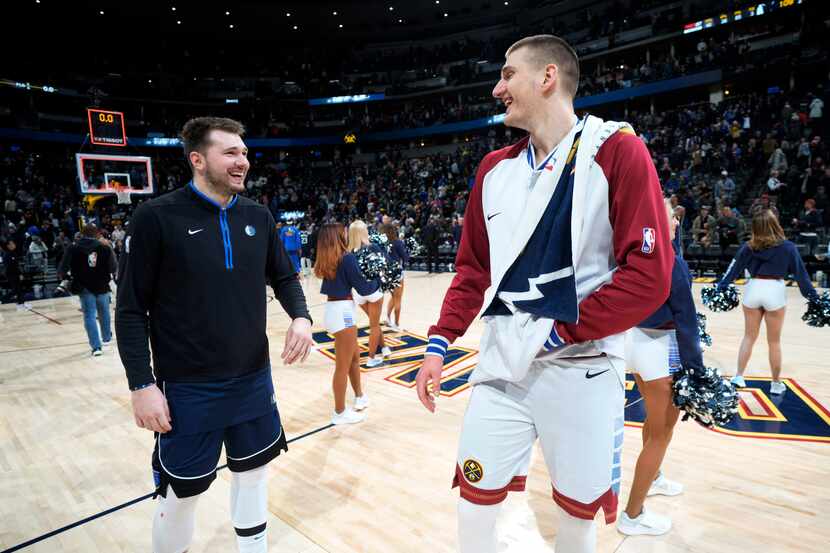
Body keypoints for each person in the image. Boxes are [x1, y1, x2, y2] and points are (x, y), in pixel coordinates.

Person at [415, 35, 673, 553]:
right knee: (472, 498)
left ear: (547, 77)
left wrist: (559, 332)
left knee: (576, 519)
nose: (496, 88)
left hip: (581, 368)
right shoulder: (492, 169)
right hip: (501, 366)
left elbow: (648, 275)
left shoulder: (618, 149)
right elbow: (472, 270)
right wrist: (439, 343)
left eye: (508, 74)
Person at [115, 117, 313, 553]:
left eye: (243, 152)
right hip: (187, 387)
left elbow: (284, 277)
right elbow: (130, 310)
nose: (243, 161)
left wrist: (301, 317)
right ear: (198, 159)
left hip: (253, 379)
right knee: (181, 494)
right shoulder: (155, 217)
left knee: (253, 476)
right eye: (231, 153)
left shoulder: (258, 216)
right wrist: (142, 385)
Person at [618, 199, 704, 536]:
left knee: (654, 424)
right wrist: (696, 370)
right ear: (660, 221)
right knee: (662, 432)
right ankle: (633, 515)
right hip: (660, 348)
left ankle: (652, 479)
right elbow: (686, 320)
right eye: (672, 215)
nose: (678, 217)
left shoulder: (641, 254)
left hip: (636, 342)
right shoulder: (673, 264)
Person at [716, 209, 819, 394]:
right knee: (774, 342)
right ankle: (776, 383)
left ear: (754, 227)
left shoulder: (748, 247)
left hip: (753, 289)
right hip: (775, 291)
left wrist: (720, 289)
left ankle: (739, 376)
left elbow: (732, 271)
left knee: (749, 337)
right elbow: (802, 278)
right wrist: (815, 300)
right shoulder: (788, 247)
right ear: (775, 224)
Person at [315, 223, 380, 424]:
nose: (345, 233)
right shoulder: (346, 258)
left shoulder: (329, 259)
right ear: (337, 237)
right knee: (342, 366)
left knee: (353, 357)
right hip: (343, 313)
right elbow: (364, 289)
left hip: (334, 311)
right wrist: (379, 279)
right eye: (342, 232)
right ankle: (339, 412)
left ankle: (359, 395)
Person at [58, 224, 116, 356]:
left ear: (82, 234)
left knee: (89, 315)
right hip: (101, 284)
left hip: (84, 286)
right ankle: (106, 338)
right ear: (96, 234)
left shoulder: (72, 248)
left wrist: (66, 277)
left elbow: (62, 268)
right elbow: (113, 267)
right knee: (104, 311)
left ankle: (96, 347)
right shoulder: (104, 247)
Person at [347, 220, 390, 368]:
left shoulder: (348, 253)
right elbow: (386, 264)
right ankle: (371, 359)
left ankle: (384, 348)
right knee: (374, 326)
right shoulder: (373, 247)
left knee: (374, 322)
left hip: (358, 294)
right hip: (374, 291)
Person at [382, 223, 409, 331]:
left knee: (393, 297)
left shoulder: (382, 243)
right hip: (396, 272)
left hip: (386, 273)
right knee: (398, 299)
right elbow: (405, 257)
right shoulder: (397, 242)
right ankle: (397, 324)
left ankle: (388, 319)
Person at [2, 239, 25, 308]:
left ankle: (21, 303)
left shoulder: (13, 253)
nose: (14, 245)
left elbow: (16, 265)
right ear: (8, 246)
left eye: (13, 243)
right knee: (15, 289)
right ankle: (2, 299)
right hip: (11, 274)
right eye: (12, 244)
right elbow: (11, 266)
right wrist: (19, 274)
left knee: (18, 289)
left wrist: (19, 273)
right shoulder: (7, 254)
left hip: (15, 274)